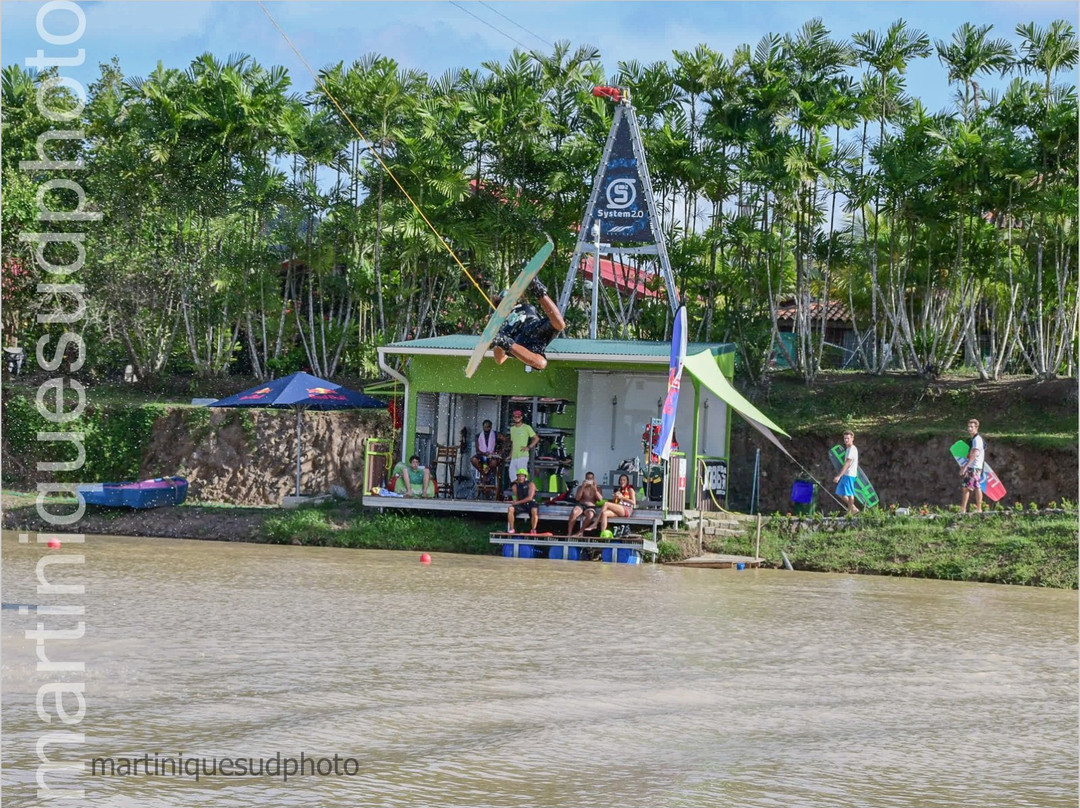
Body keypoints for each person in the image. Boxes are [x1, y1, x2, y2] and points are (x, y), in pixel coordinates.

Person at [491, 277, 566, 371]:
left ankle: (537, 289)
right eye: (501, 304)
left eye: (508, 301)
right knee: (541, 364)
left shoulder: (525, 307)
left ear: (515, 301)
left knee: (560, 324)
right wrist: (497, 337)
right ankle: (503, 342)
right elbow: (500, 359)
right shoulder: (502, 325)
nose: (506, 305)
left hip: (534, 328)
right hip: (521, 341)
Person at [960, 418, 985, 513]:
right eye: (969, 426)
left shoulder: (977, 440)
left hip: (974, 467)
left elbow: (974, 454)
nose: (969, 429)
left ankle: (963, 509)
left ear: (976, 428)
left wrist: (966, 467)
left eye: (972, 427)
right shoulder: (975, 439)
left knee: (966, 487)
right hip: (976, 466)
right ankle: (978, 508)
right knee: (976, 486)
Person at [567, 472, 603, 536]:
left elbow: (600, 499)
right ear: (585, 479)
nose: (589, 481)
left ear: (593, 479)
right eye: (588, 479)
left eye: (591, 479)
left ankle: (580, 531)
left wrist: (595, 490)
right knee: (574, 512)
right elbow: (577, 499)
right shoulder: (581, 487)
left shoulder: (598, 488)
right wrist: (583, 487)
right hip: (581, 505)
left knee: (590, 515)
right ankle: (569, 533)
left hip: (591, 506)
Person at [470, 419, 503, 490]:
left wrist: (500, 451)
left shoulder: (495, 434)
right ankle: (484, 474)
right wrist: (484, 453)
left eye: (488, 427)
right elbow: (477, 450)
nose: (486, 428)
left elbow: (506, 441)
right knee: (473, 460)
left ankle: (487, 474)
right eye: (484, 427)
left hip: (492, 455)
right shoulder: (478, 436)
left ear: (490, 427)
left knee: (494, 462)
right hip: (482, 455)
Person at [833, 430, 859, 516]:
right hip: (846, 474)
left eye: (848, 438)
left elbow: (847, 463)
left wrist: (839, 476)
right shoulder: (848, 449)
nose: (846, 440)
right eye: (845, 438)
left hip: (849, 475)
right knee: (840, 492)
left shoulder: (852, 449)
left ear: (852, 438)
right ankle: (853, 508)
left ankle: (850, 512)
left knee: (850, 493)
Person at [507, 409, 538, 481]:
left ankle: (524, 491)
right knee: (512, 476)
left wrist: (529, 447)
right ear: (513, 418)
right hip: (514, 456)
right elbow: (513, 443)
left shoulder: (527, 427)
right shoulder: (512, 429)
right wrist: (510, 455)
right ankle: (516, 491)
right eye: (515, 417)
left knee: (522, 476)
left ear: (521, 417)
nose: (517, 418)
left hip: (523, 456)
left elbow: (536, 438)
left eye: (518, 416)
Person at [506, 469, 539, 534]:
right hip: (521, 504)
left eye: (522, 476)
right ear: (517, 477)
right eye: (519, 476)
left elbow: (530, 498)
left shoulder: (531, 484)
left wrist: (517, 502)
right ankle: (512, 529)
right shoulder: (515, 485)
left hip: (530, 503)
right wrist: (515, 502)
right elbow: (517, 497)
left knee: (534, 510)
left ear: (525, 477)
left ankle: (533, 529)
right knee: (510, 509)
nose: (521, 478)